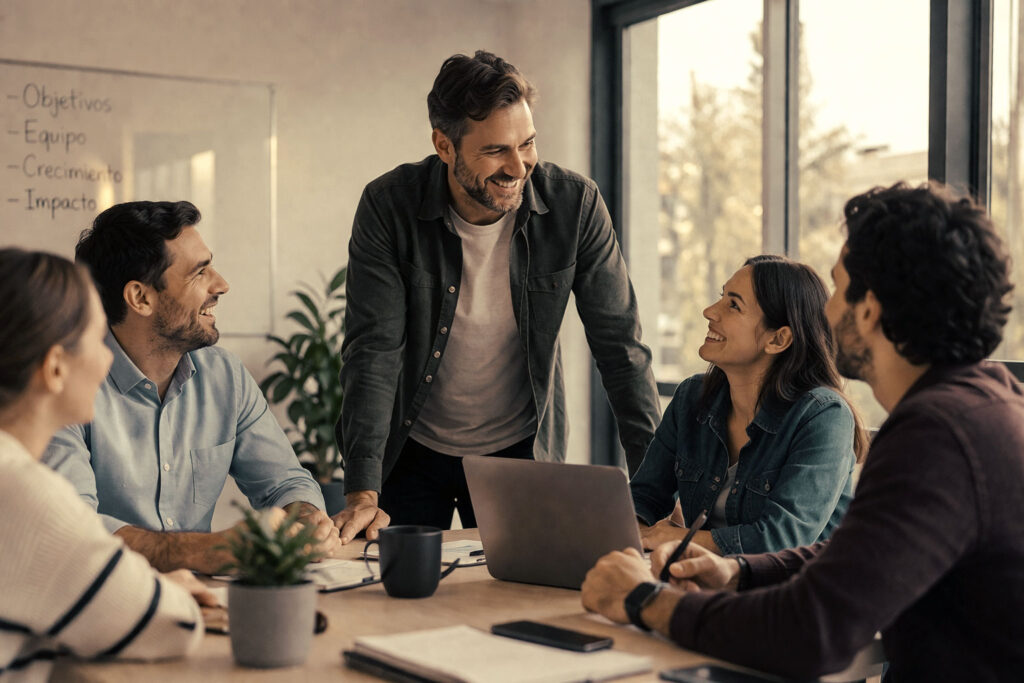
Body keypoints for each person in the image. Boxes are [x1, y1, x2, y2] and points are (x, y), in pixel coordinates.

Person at [580, 182, 1024, 681]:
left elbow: (812, 633)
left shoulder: (936, 438)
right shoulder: (984, 407)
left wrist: (644, 601)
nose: (827, 310)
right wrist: (740, 572)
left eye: (836, 288)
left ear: (870, 309)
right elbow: (859, 552)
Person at [333, 50, 660, 541]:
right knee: (398, 595)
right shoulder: (389, 206)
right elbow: (373, 350)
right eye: (495, 151)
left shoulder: (576, 205)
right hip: (413, 450)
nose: (518, 166)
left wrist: (656, 488)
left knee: (520, 589)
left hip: (520, 451)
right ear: (444, 146)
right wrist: (362, 489)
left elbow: (621, 348)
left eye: (527, 143)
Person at [44, 201, 339, 574]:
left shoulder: (225, 376)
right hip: (106, 602)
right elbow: (70, 527)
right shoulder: (63, 386)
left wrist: (305, 516)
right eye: (199, 273)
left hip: (206, 602)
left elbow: (285, 481)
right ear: (141, 298)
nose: (221, 284)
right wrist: (200, 550)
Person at [0, 248, 213, 680]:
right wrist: (165, 591)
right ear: (55, 367)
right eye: (98, 341)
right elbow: (171, 626)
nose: (107, 360)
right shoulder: (22, 492)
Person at [631, 255, 867, 555]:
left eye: (734, 305)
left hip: (792, 594)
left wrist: (679, 540)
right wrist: (635, 530)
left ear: (778, 339)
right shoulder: (691, 398)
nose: (709, 311)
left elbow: (783, 540)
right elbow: (643, 498)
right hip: (703, 582)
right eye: (721, 296)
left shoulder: (823, 417)